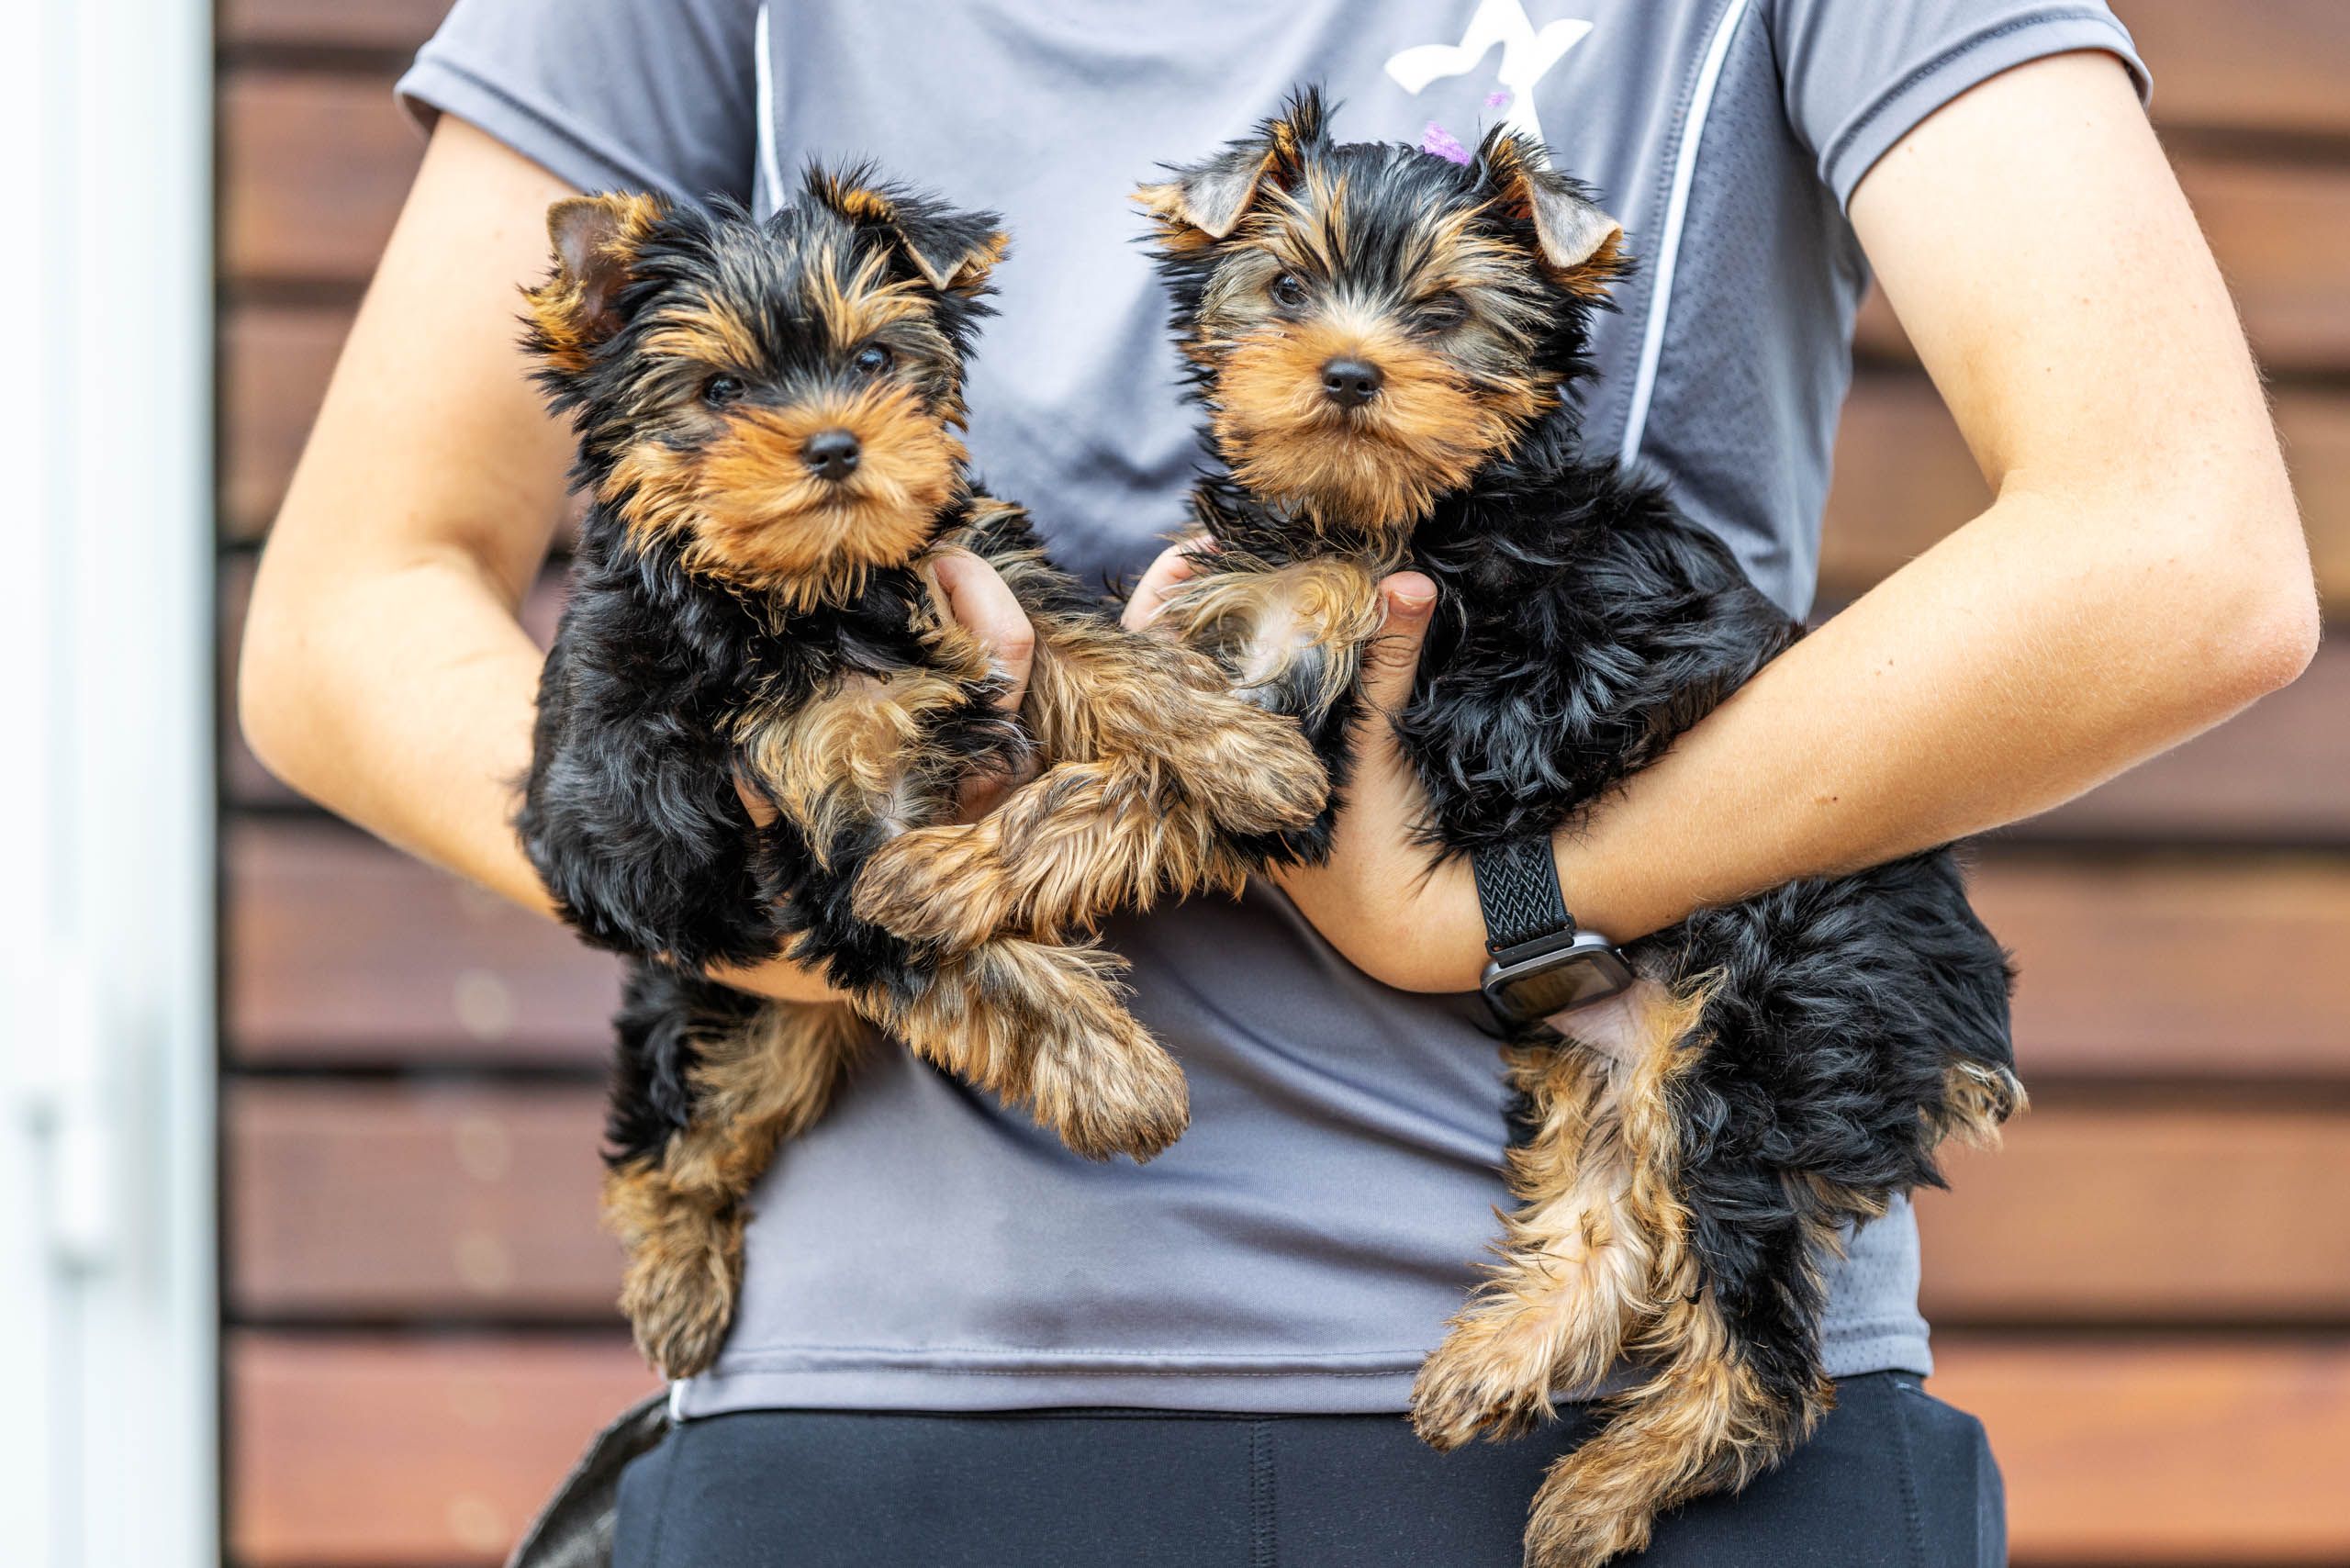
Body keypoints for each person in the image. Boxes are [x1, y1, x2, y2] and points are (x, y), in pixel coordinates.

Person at [238, 2, 2317, 1562]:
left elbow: (2174, 549)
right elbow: (350, 620)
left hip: (1649, 1406)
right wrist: (838, 911)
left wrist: (1494, 896)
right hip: (889, 1418)